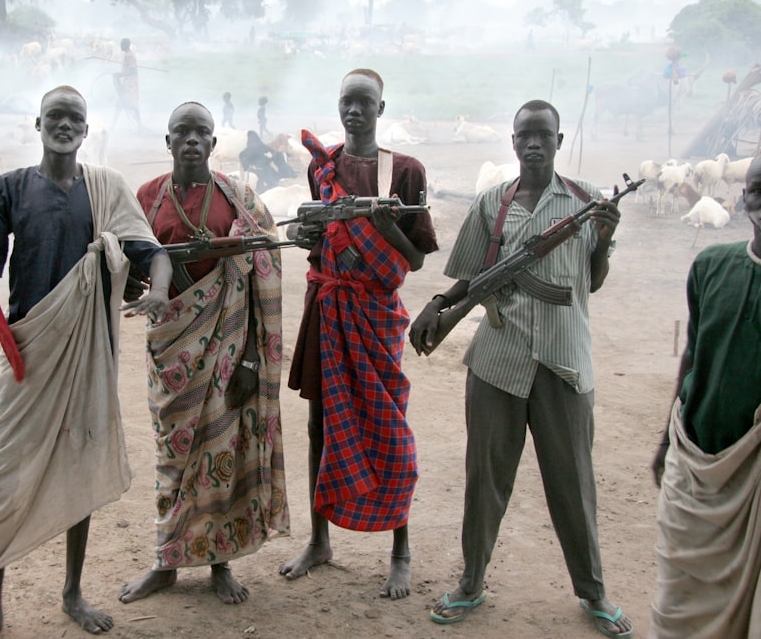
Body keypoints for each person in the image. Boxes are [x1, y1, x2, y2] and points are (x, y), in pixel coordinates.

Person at [0, 85, 172, 638]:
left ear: (87, 129)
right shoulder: (10, 188)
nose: (64, 125)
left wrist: (160, 289)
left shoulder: (106, 189)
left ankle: (72, 592)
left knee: (79, 466)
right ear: (38, 123)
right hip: (28, 351)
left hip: (85, 355)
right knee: (4, 477)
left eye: (75, 117)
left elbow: (152, 252)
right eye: (55, 116)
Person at [409, 99, 632, 637]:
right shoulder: (492, 204)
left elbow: (592, 281)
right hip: (498, 363)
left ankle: (593, 591)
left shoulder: (586, 203)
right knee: (484, 480)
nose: (533, 144)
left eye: (544, 136)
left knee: (573, 484)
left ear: (559, 141)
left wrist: (602, 238)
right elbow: (470, 276)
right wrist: (437, 304)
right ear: (512, 142)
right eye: (524, 135)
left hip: (563, 365)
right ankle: (472, 581)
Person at [119, 101, 290, 605]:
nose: (191, 139)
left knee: (221, 452)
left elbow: (266, 283)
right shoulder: (147, 198)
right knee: (171, 456)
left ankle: (220, 563)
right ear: (167, 141)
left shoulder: (239, 201)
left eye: (202, 133)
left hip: (229, 352)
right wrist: (134, 285)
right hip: (169, 352)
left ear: (214, 145)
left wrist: (253, 361)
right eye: (182, 132)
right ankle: (165, 563)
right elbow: (127, 266)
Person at [278, 68, 438, 599]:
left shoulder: (405, 171)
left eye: (365, 103)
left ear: (381, 109)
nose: (354, 111)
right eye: (347, 101)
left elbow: (413, 259)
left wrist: (385, 223)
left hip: (375, 317)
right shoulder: (322, 169)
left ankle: (401, 551)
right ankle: (320, 541)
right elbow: (321, 243)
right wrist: (309, 237)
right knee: (319, 428)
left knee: (387, 427)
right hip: (328, 310)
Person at [648, 155, 761, 639]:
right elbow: (693, 354)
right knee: (679, 607)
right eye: (758, 188)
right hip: (695, 465)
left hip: (753, 481)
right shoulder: (712, 266)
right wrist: (666, 443)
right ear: (743, 196)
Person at [112, 38, 141, 131]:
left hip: (130, 83)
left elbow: (133, 70)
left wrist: (119, 75)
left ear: (126, 45)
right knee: (120, 103)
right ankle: (113, 125)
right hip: (127, 81)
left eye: (122, 44)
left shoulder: (130, 55)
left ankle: (139, 125)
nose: (120, 46)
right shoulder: (127, 54)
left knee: (132, 104)